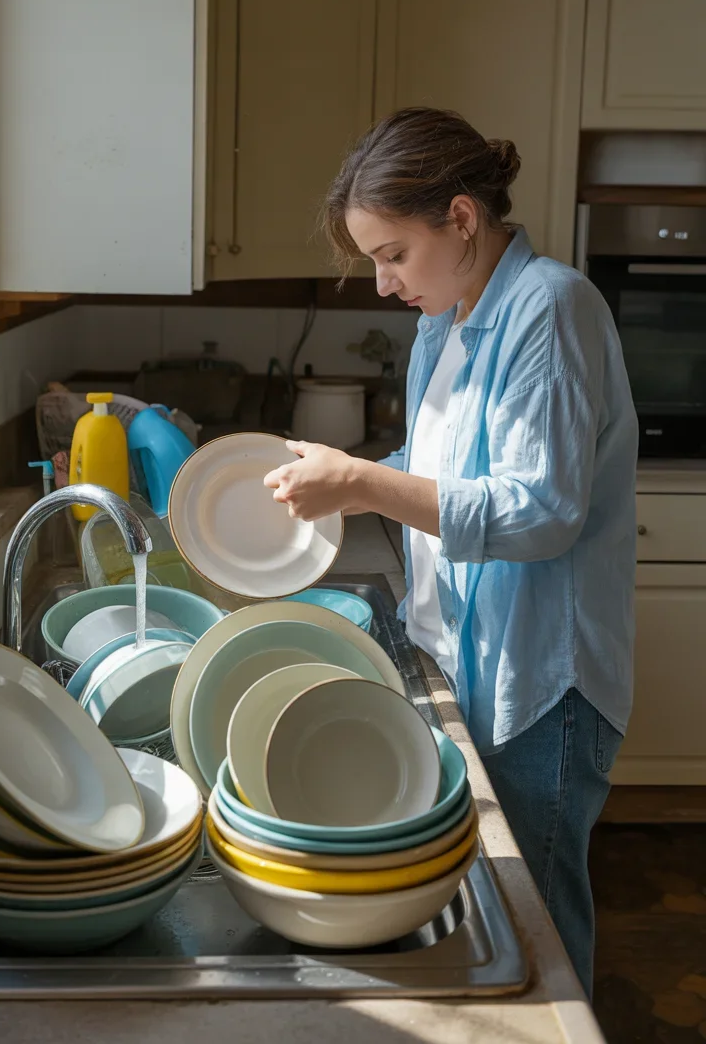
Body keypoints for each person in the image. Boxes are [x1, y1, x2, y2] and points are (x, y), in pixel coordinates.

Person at [263, 107, 636, 997]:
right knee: (494, 915)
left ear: (461, 218)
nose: (385, 284)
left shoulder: (549, 304)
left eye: (392, 254)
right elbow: (431, 472)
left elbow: (539, 511)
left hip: (541, 680)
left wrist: (356, 483)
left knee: (535, 924)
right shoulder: (451, 317)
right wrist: (328, 475)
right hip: (467, 656)